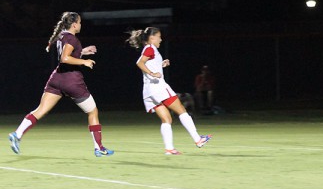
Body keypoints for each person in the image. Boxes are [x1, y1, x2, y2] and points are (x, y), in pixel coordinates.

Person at [8, 12, 114, 157]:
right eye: (80, 22)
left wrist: (82, 51)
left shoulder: (62, 36)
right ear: (75, 24)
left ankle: (17, 134)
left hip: (57, 79)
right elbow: (65, 58)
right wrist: (84, 61)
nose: (81, 25)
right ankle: (99, 147)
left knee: (40, 110)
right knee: (92, 112)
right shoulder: (72, 38)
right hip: (72, 81)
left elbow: (67, 53)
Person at [126, 27, 211, 155]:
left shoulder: (150, 50)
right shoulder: (150, 48)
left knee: (167, 119)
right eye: (159, 36)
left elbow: (148, 63)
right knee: (181, 110)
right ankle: (198, 139)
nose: (161, 39)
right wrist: (152, 73)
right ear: (152, 37)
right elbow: (140, 63)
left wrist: (161, 65)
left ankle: (170, 149)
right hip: (158, 88)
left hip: (149, 91)